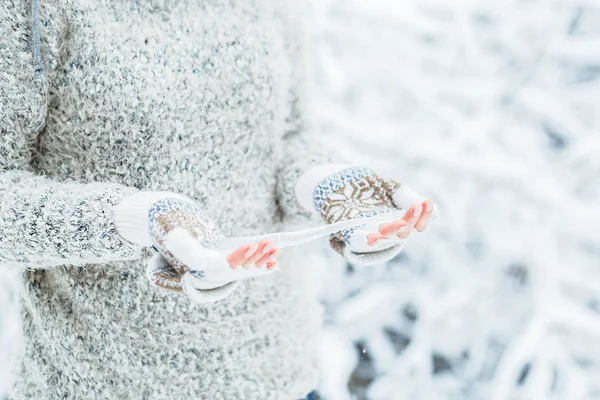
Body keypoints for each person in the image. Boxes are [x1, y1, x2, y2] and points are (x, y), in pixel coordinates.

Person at [0, 0, 436, 398]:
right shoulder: (33, 11)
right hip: (97, 384)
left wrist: (328, 186)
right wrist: (139, 220)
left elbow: (287, 138)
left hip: (277, 378)